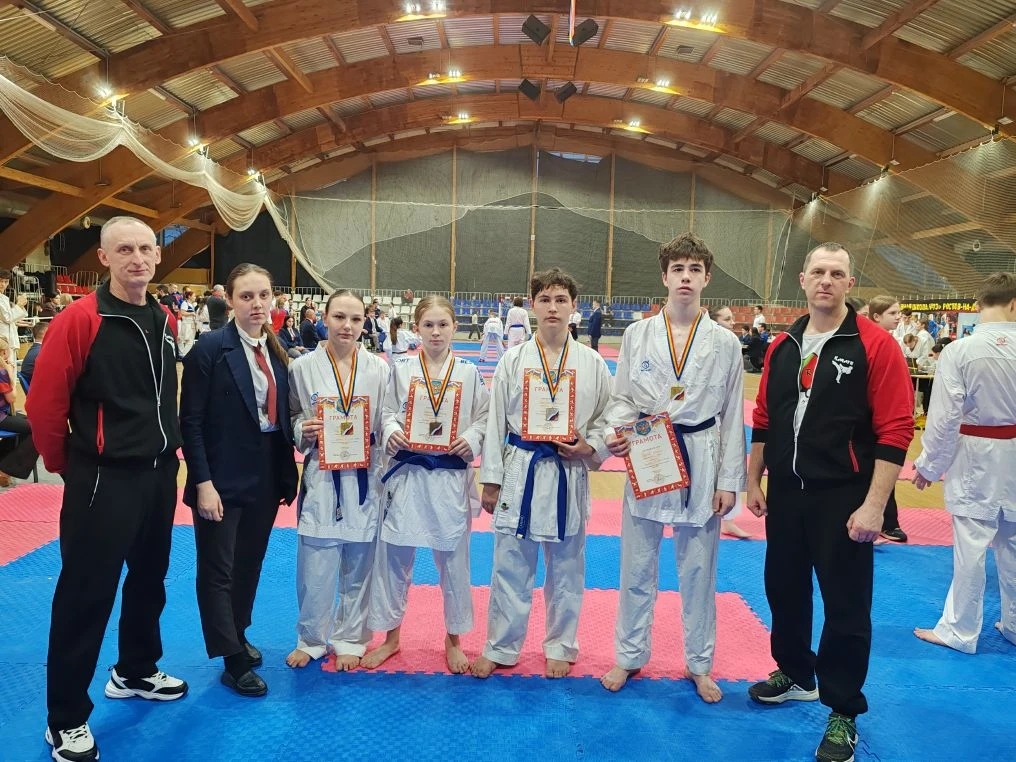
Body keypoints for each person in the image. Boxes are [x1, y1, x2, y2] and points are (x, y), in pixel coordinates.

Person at [26, 216, 187, 762]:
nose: (137, 258)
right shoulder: (80, 320)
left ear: (157, 256)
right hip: (102, 478)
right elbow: (44, 403)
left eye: (145, 248)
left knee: (149, 580)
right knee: (85, 595)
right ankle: (66, 718)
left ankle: (135, 670)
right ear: (103, 258)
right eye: (124, 250)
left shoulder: (163, 318)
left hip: (159, 474)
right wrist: (67, 465)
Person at [745, 243, 914, 762]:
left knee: (845, 605)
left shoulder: (875, 345)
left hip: (844, 495)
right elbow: (764, 418)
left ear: (849, 283)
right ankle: (796, 672)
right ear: (802, 279)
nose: (826, 280)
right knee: (784, 589)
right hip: (787, 491)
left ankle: (843, 708)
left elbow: (895, 430)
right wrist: (753, 481)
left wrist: (874, 506)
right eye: (818, 271)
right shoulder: (784, 344)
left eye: (836, 273)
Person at [598, 239, 746, 703]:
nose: (685, 276)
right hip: (650, 452)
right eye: (678, 268)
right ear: (664, 277)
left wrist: (729, 483)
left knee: (699, 572)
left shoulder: (725, 342)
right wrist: (615, 433)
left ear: (706, 278)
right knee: (636, 566)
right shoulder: (637, 334)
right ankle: (629, 655)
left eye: (694, 269)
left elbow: (732, 413)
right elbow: (622, 398)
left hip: (702, 454)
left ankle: (699, 664)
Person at [471, 268, 612, 680]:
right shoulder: (513, 359)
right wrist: (491, 480)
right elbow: (496, 422)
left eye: (561, 300)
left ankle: (561, 645)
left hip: (568, 469)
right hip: (521, 468)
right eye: (545, 299)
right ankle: (501, 645)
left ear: (574, 307)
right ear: (532, 305)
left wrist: (591, 447)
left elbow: (607, 418)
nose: (553, 307)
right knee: (510, 563)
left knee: (567, 565)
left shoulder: (592, 363)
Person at [180, 264, 299, 697]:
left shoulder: (275, 349)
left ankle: (239, 632)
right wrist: (202, 482)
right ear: (229, 300)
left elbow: (279, 418)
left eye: (263, 295)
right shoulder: (210, 349)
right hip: (221, 475)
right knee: (218, 569)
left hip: (265, 473)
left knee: (249, 562)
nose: (257, 304)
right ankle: (230, 658)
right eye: (246, 296)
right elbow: (190, 422)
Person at [363, 296, 490, 673]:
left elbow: (485, 416)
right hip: (407, 474)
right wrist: (391, 431)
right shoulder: (400, 368)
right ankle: (391, 637)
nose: (436, 332)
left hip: (449, 476)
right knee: (394, 558)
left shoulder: (468, 372)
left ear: (455, 328)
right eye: (428, 325)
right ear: (416, 328)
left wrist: (471, 438)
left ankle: (454, 640)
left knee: (453, 560)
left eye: (443, 325)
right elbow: (385, 411)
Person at [286, 290, 390, 671]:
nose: (347, 326)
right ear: (324, 319)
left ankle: (351, 638)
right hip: (322, 475)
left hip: (366, 476)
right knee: (315, 563)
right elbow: (292, 415)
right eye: (339, 317)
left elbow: (388, 419)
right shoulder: (302, 368)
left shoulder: (379, 369)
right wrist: (302, 429)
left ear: (364, 323)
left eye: (356, 319)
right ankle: (311, 639)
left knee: (360, 563)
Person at [912, 272, 1016, 654]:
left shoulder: (960, 351)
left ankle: (960, 630)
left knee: (972, 543)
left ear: (977, 305)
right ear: (1014, 304)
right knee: (1014, 542)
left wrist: (928, 465)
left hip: (976, 453)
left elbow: (944, 418)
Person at [866, 295, 909, 544]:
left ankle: (888, 522)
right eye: (892, 313)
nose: (898, 317)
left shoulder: (890, 343)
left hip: (887, 419)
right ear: (876, 316)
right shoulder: (867, 343)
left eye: (898, 312)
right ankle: (886, 522)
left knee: (885, 471)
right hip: (868, 421)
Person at [707, 304, 751, 539]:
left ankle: (729, 519)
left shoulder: (729, 345)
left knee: (730, 466)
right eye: (727, 318)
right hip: (707, 421)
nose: (732, 322)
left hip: (724, 418)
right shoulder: (705, 346)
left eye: (732, 318)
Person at [0, 336, 38, 486]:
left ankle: (4, 464)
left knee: (28, 425)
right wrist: (10, 375)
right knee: (39, 429)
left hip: (4, 414)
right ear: (3, 353)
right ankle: (6, 470)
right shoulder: (2, 372)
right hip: (2, 416)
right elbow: (11, 398)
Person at [0, 271, 29, 353]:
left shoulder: (4, 298)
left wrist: (21, 305)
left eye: (6, 282)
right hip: (2, 337)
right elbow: (7, 318)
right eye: (0, 281)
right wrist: (19, 305)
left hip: (7, 335)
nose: (3, 284)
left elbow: (9, 318)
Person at [20, 320, 47, 385]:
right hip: (38, 385)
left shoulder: (35, 348)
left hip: (32, 383)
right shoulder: (41, 351)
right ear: (45, 334)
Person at [177, 289, 198, 358]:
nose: (195, 297)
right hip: (187, 323)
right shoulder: (184, 303)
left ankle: (183, 353)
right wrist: (192, 313)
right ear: (189, 296)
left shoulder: (191, 304)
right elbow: (182, 312)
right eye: (194, 296)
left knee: (189, 340)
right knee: (186, 339)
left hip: (191, 323)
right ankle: (183, 354)